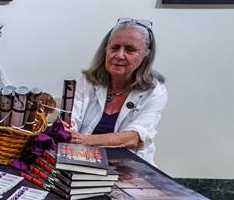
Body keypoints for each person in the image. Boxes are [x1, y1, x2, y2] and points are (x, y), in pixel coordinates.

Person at [70, 18, 167, 164]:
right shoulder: (86, 80)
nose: (120, 55)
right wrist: (67, 129)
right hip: (82, 161)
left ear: (145, 55)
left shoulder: (155, 91)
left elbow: (134, 137)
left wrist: (84, 140)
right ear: (106, 50)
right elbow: (72, 121)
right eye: (114, 48)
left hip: (128, 167)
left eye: (130, 50)